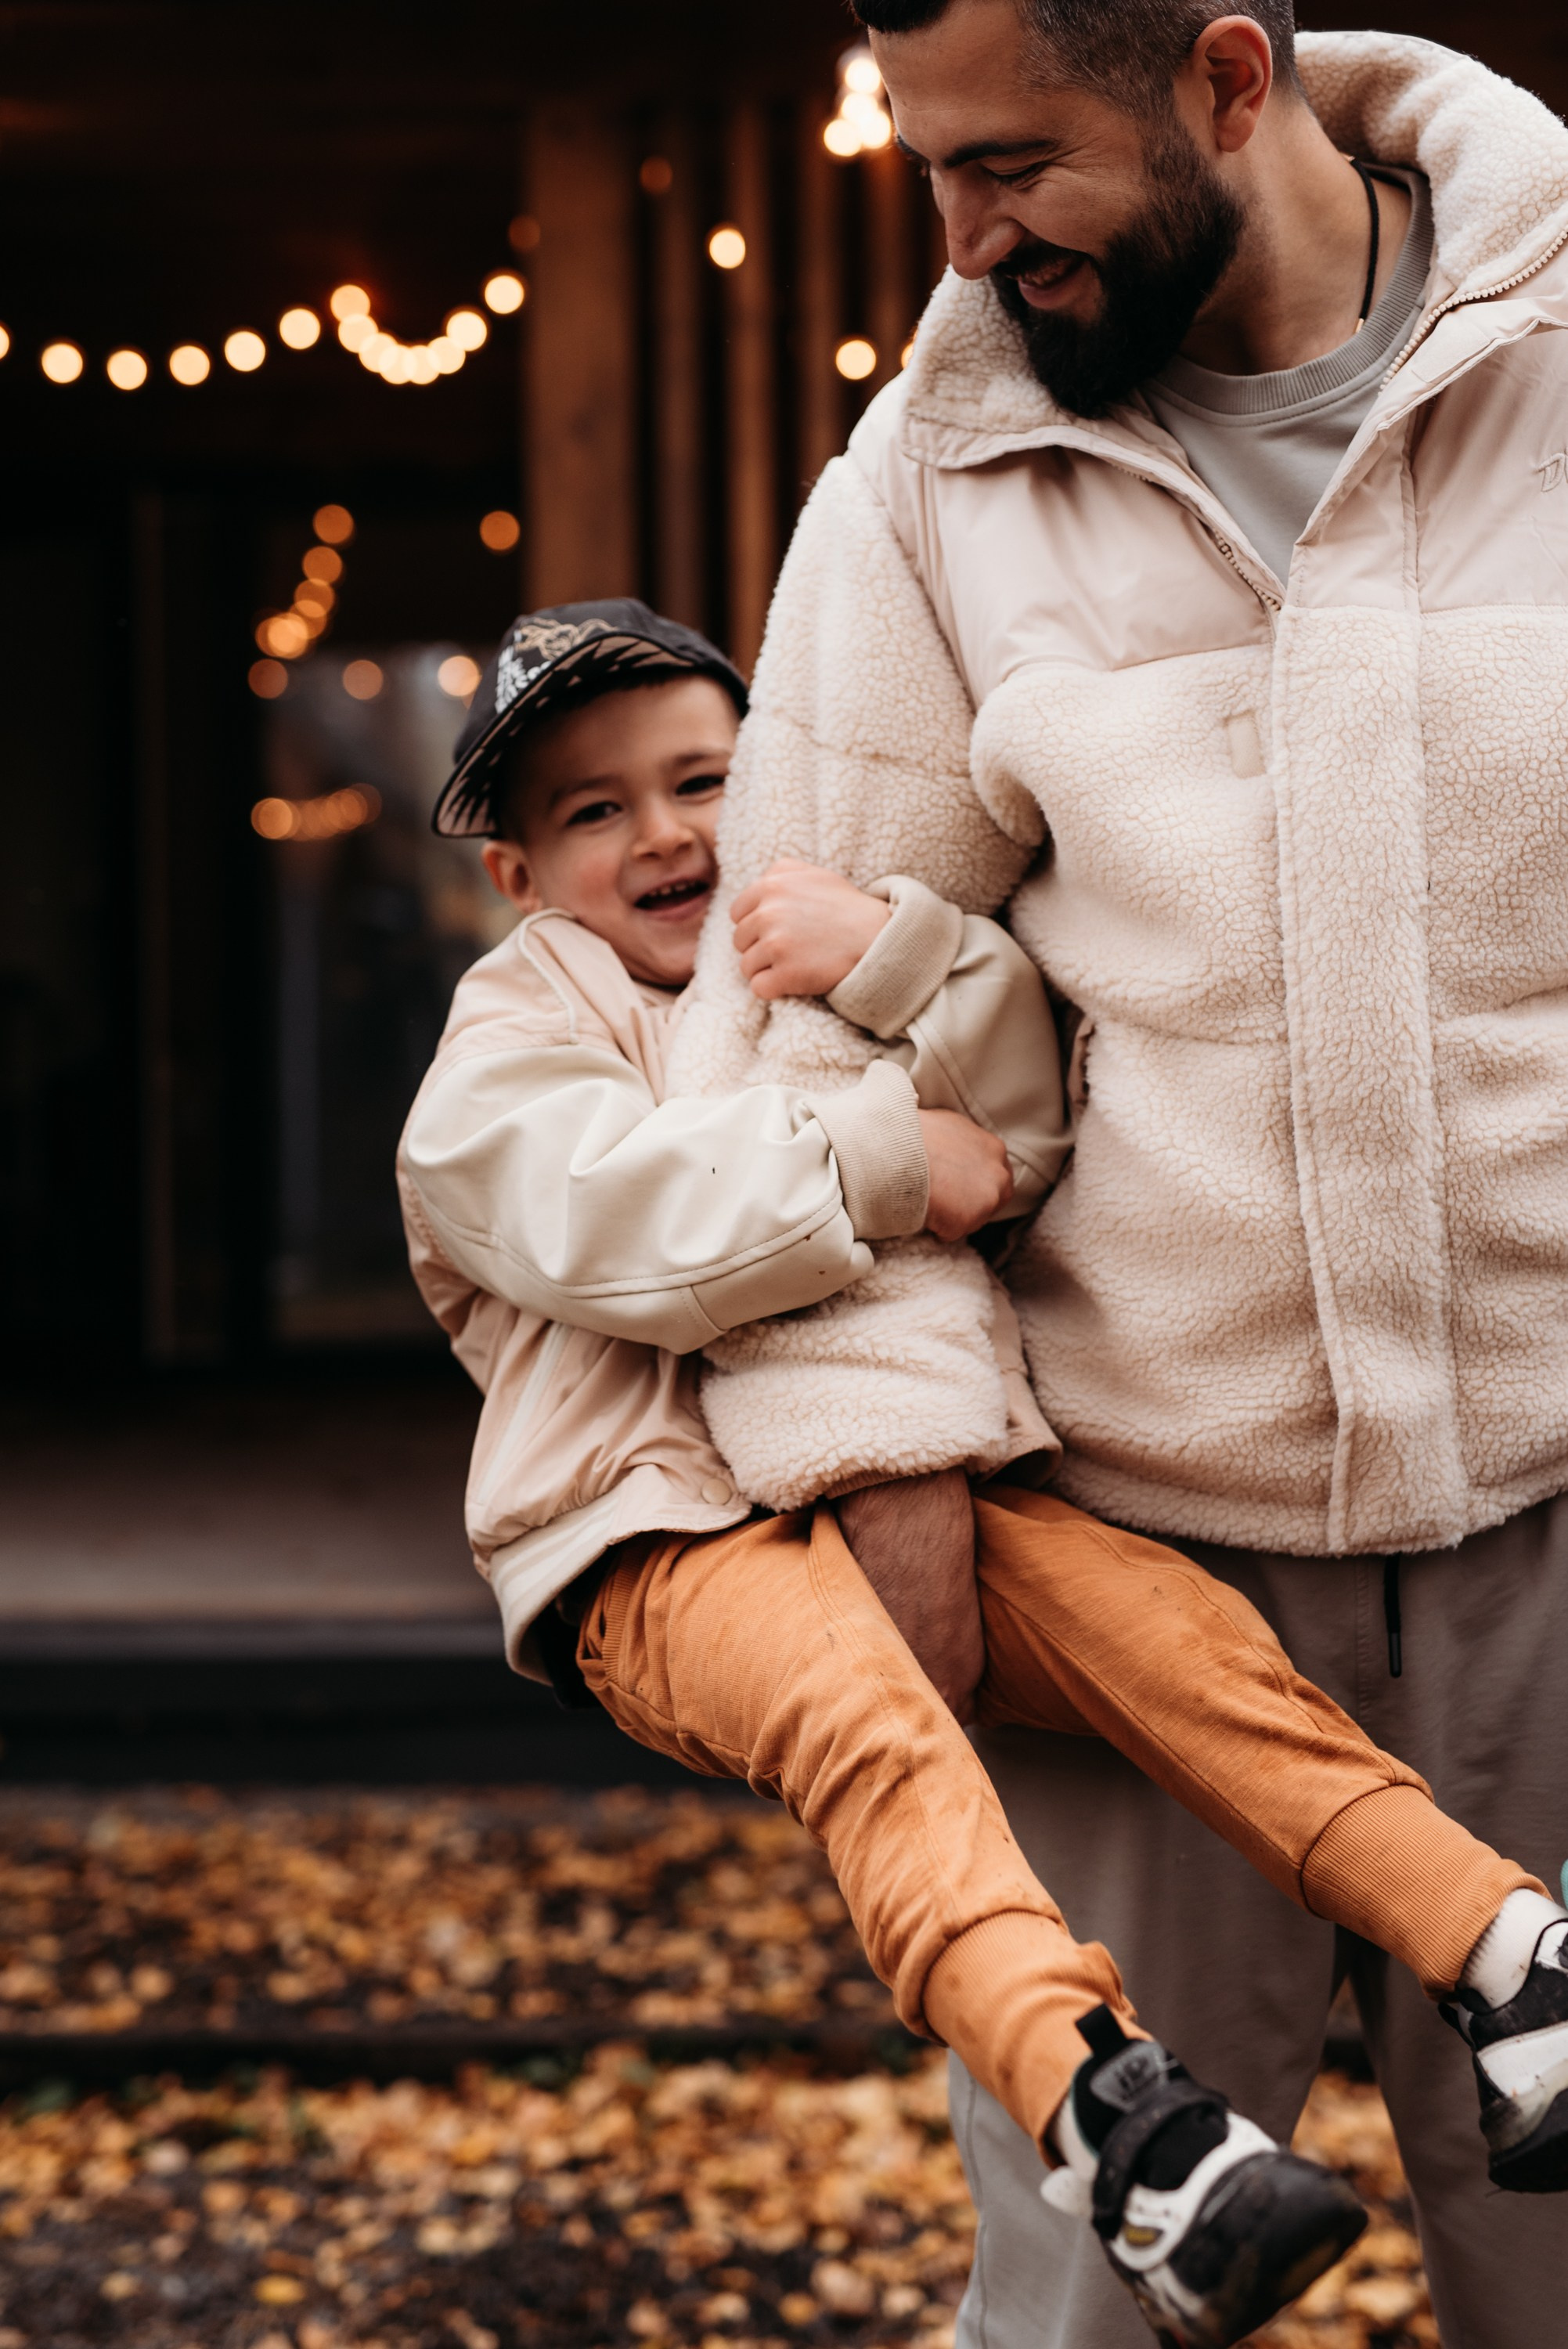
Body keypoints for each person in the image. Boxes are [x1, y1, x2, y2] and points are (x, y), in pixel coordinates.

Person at [659, 6, 1568, 2343]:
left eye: (1008, 167)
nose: (960, 244)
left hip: (1562, 1550)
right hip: (1139, 1567)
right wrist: (886, 1453)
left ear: (1226, 86)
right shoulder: (928, 480)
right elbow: (789, 1017)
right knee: (1101, 2293)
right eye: (927, 174)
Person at [400, 601, 1567, 2349]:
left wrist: (891, 960)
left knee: (1168, 1630)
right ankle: (1110, 2112)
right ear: (516, 874)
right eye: (594, 810)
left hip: (917, 1462)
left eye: (703, 777)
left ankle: (1511, 1951)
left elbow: (1021, 1119)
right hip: (652, 1530)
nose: (666, 833)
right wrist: (884, 1152)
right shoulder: (505, 1048)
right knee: (871, 1729)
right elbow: (624, 1223)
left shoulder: (799, 962)